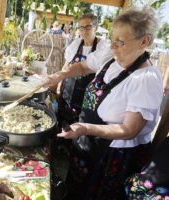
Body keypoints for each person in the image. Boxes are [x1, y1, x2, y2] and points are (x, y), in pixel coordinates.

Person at [41, 6, 163, 200]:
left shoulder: (146, 79)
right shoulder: (113, 57)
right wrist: (57, 76)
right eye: (113, 39)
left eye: (120, 42)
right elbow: (83, 67)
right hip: (88, 141)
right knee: (75, 188)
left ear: (144, 41)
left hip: (112, 155)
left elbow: (129, 130)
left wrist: (86, 128)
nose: (113, 46)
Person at [57, 13, 109, 125]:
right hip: (67, 95)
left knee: (80, 128)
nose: (84, 30)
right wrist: (58, 86)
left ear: (96, 28)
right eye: (81, 27)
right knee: (63, 123)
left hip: (87, 101)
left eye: (88, 27)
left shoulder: (103, 47)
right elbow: (65, 67)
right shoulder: (75, 44)